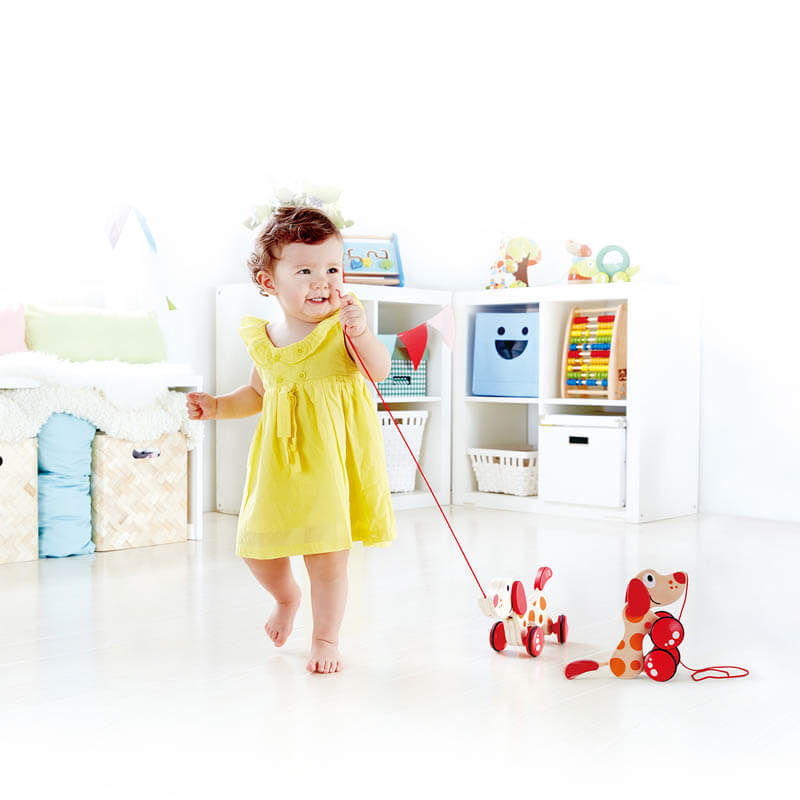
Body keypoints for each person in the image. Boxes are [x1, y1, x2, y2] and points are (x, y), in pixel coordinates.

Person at [187, 206, 396, 674]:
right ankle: (286, 597)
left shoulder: (343, 329)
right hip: (279, 465)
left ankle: (325, 637)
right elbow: (258, 393)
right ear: (269, 282)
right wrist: (218, 406)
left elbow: (379, 371)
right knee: (256, 546)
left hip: (330, 465)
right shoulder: (268, 340)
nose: (322, 282)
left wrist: (362, 333)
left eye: (332, 269)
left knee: (327, 557)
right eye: (305, 271)